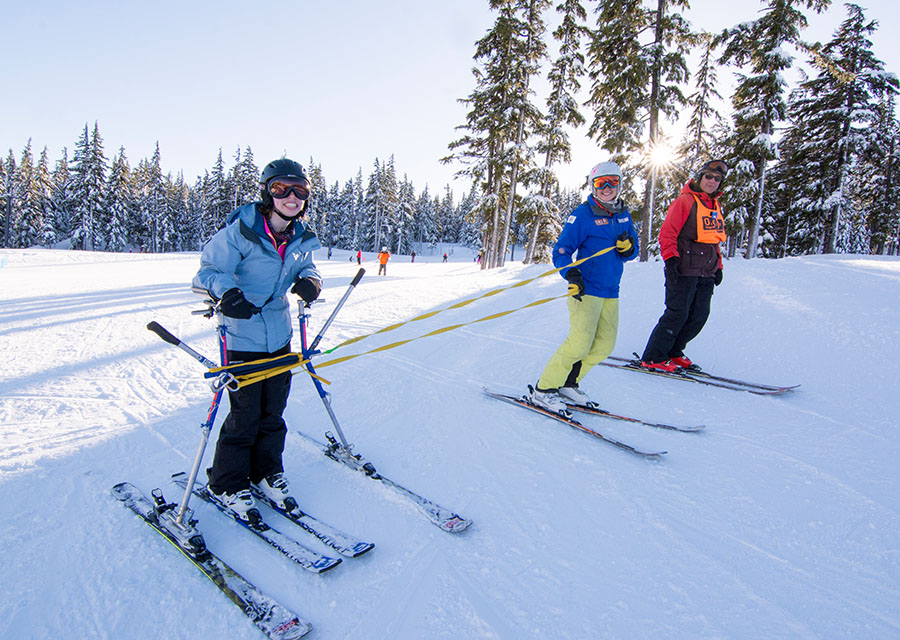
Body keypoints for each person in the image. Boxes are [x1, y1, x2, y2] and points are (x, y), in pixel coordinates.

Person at [193, 158, 323, 520]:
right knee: (245, 414)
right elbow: (206, 272)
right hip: (242, 336)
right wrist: (227, 293)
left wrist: (312, 281)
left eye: (300, 190)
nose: (292, 197)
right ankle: (226, 483)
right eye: (282, 188)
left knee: (273, 412)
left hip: (280, 336)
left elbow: (307, 267)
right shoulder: (242, 231)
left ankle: (266, 472)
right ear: (268, 191)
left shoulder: (300, 237)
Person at [530, 161, 638, 413]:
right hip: (585, 290)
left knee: (604, 346)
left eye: (613, 182)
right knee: (579, 343)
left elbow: (632, 251)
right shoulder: (583, 214)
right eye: (601, 183)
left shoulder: (623, 214)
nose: (607, 188)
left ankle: (568, 383)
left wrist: (629, 249)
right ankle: (544, 389)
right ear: (593, 186)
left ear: (620, 185)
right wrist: (572, 274)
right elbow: (561, 252)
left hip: (611, 290)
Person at [639, 159, 728, 372]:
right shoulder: (685, 201)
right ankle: (653, 356)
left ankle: (674, 351)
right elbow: (667, 233)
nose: (712, 181)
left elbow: (714, 239)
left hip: (706, 271)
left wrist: (719, 267)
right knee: (677, 313)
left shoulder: (713, 205)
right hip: (684, 268)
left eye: (717, 179)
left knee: (699, 316)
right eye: (708, 176)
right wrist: (670, 260)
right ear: (700, 177)